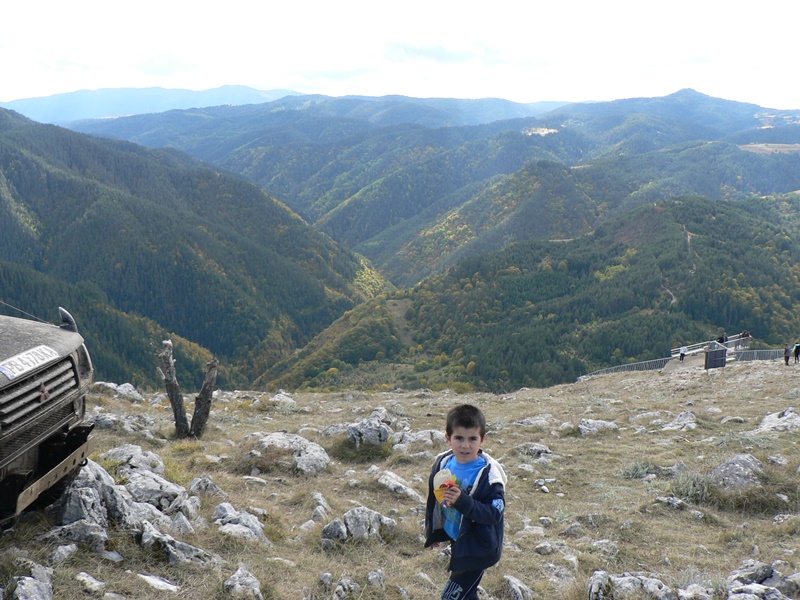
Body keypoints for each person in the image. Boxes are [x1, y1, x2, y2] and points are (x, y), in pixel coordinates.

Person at [424, 404, 507, 600]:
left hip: (478, 548)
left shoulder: (489, 475)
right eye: (459, 438)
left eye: (472, 439)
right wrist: (435, 532)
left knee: (451, 597)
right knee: (467, 596)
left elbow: (494, 514)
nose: (465, 445)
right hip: (459, 540)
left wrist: (464, 502)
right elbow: (435, 500)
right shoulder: (443, 464)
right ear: (448, 438)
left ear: (482, 439)